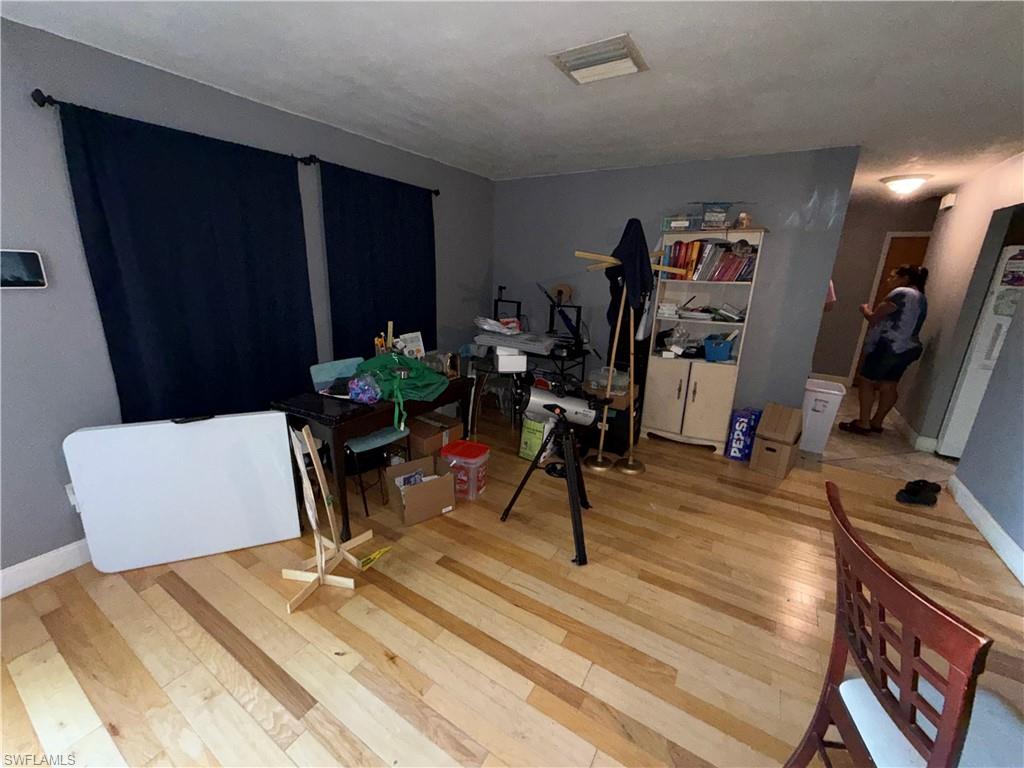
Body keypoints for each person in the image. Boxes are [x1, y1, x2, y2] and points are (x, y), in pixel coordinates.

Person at [839, 264, 928, 435]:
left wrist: (864, 309)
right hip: (909, 348)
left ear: (905, 278)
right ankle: (877, 422)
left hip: (889, 345)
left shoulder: (901, 293)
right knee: (889, 384)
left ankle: (863, 423)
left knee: (866, 381)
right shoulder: (921, 298)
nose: (889, 280)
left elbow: (874, 318)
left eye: (893, 276)